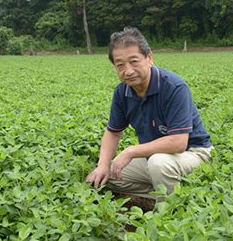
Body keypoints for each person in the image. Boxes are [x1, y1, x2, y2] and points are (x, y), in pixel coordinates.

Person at [85, 27, 213, 202]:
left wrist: (130, 151)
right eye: (120, 65)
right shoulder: (122, 92)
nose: (128, 71)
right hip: (154, 156)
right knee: (109, 175)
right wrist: (102, 165)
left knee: (159, 164)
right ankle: (174, 192)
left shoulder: (173, 87)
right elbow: (113, 132)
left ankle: (168, 213)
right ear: (114, 67)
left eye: (134, 61)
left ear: (149, 58)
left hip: (193, 153)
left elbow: (178, 143)